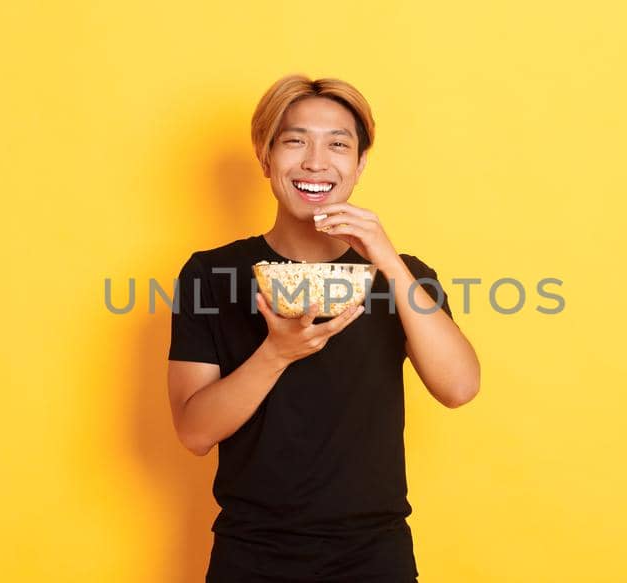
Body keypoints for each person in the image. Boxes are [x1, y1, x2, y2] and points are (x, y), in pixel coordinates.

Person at [167, 74, 481, 582]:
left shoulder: (405, 275)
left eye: (338, 144)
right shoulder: (210, 274)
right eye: (295, 141)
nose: (315, 161)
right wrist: (277, 352)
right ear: (266, 157)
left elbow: (460, 387)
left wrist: (387, 259)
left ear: (358, 165)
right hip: (252, 553)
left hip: (375, 554)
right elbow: (194, 432)